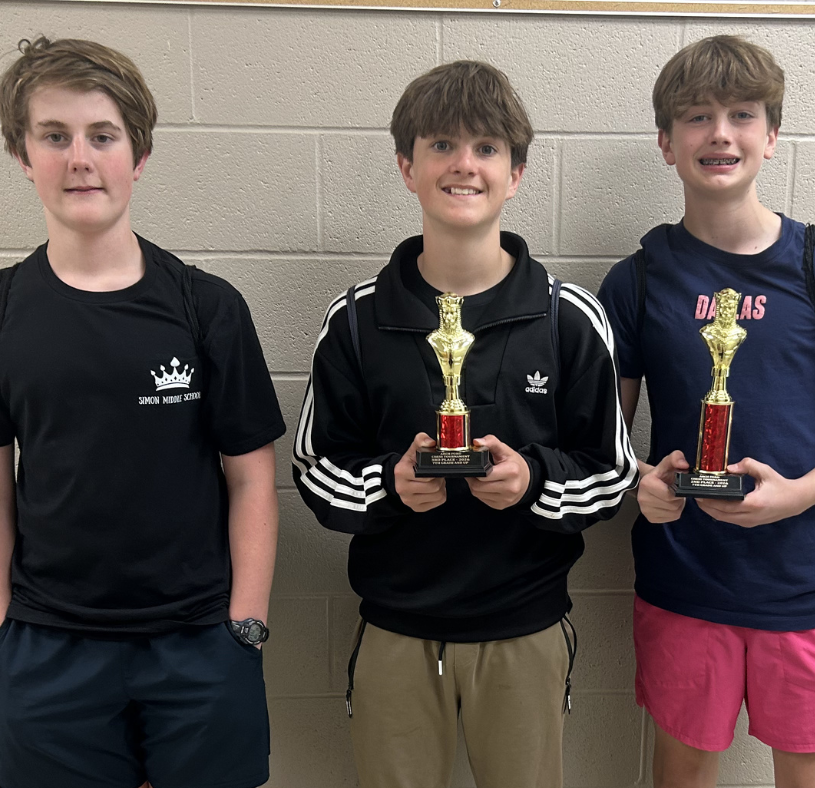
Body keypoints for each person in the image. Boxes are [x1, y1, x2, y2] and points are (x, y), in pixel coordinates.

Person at [0, 37, 284, 788]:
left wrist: (246, 629)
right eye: (54, 136)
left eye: (102, 136)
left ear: (139, 156)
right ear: (22, 154)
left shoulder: (207, 307)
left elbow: (253, 481)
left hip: (200, 644)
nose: (79, 158)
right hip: (45, 648)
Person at [292, 60, 637, 788]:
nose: (464, 165)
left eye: (486, 148)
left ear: (515, 173)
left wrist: (533, 482)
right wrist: (389, 485)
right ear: (406, 166)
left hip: (524, 630)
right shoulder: (354, 320)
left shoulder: (567, 319)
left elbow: (610, 474)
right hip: (395, 631)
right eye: (442, 145)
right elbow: (316, 470)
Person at [598, 35, 815, 788]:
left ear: (772, 135)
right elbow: (605, 439)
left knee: (813, 773)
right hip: (685, 579)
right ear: (666, 142)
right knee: (683, 772)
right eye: (696, 117)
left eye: (742, 114)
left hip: (803, 579)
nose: (719, 133)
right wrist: (641, 487)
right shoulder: (636, 280)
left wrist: (798, 494)